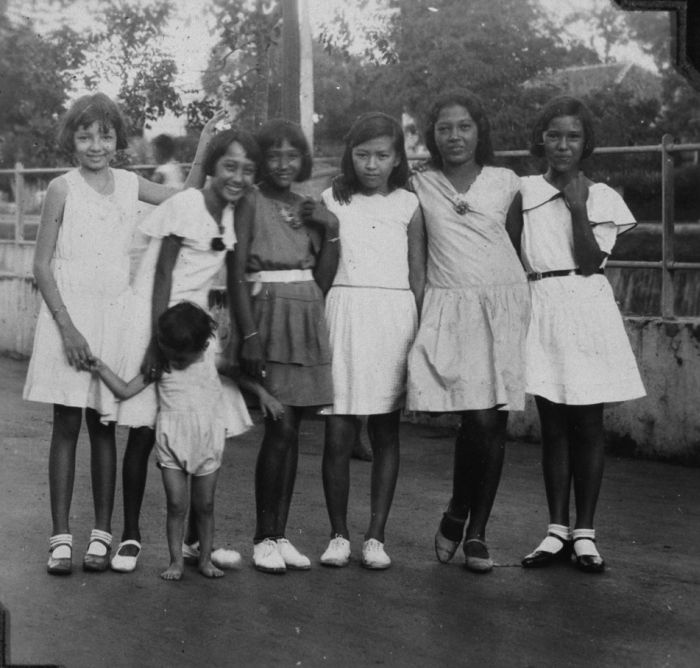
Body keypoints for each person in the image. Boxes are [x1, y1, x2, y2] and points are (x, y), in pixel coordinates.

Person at [23, 92, 216, 575]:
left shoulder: (130, 183)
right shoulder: (62, 189)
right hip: (68, 318)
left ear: (117, 140)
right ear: (72, 140)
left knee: (104, 424)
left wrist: (205, 145)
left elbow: (185, 197)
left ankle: (102, 535)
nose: (96, 145)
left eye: (105, 136)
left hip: (112, 315)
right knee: (66, 425)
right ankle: (60, 538)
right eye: (85, 136)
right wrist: (68, 329)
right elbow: (42, 266)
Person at [110, 125, 260, 574]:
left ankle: (194, 542)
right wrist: (156, 342)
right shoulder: (187, 204)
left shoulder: (233, 213)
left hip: (193, 329)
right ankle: (131, 536)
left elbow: (235, 276)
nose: (237, 177)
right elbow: (161, 274)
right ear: (212, 166)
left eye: (247, 169)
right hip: (156, 318)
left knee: (200, 421)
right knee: (144, 429)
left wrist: (242, 337)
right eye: (229, 166)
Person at [506, 96, 645, 573]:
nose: (563, 145)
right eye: (554, 135)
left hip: (585, 305)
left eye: (573, 136)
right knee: (553, 425)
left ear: (586, 143)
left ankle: (585, 533)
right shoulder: (522, 191)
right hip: (541, 304)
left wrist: (578, 206)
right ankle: (556, 530)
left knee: (587, 423)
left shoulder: (599, 195)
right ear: (540, 140)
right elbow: (509, 250)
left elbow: (589, 261)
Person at [406, 89, 531, 573]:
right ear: (432, 135)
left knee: (492, 419)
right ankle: (458, 509)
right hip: (451, 307)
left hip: (502, 304)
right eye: (444, 128)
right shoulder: (420, 184)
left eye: (464, 126)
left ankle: (475, 531)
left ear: (480, 131)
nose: (454, 136)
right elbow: (417, 258)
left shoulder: (505, 181)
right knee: (475, 418)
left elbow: (512, 245)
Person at [305, 112, 425, 569]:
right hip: (345, 313)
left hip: (394, 318)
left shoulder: (409, 205)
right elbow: (321, 266)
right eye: (362, 155)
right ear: (349, 156)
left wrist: (420, 332)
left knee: (385, 430)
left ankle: (376, 536)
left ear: (397, 159)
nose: (371, 165)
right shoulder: (331, 199)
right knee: (338, 430)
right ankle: (338, 534)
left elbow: (417, 274)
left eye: (382, 155)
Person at [90, 302, 278, 580]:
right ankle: (176, 561)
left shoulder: (211, 360)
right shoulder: (161, 366)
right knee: (176, 505)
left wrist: (264, 395)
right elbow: (125, 390)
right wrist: (101, 368)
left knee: (206, 506)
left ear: (203, 346)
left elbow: (239, 377)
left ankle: (205, 560)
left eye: (182, 356)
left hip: (207, 443)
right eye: (172, 354)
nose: (176, 361)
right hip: (172, 445)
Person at [230, 118, 339, 574]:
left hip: (305, 314)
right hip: (267, 316)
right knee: (280, 428)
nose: (282, 163)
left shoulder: (308, 206)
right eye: (273, 155)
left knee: (292, 432)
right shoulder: (249, 200)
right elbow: (236, 272)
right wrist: (249, 335)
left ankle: (280, 534)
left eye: (291, 155)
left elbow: (324, 276)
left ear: (303, 160)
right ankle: (262, 536)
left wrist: (331, 227)